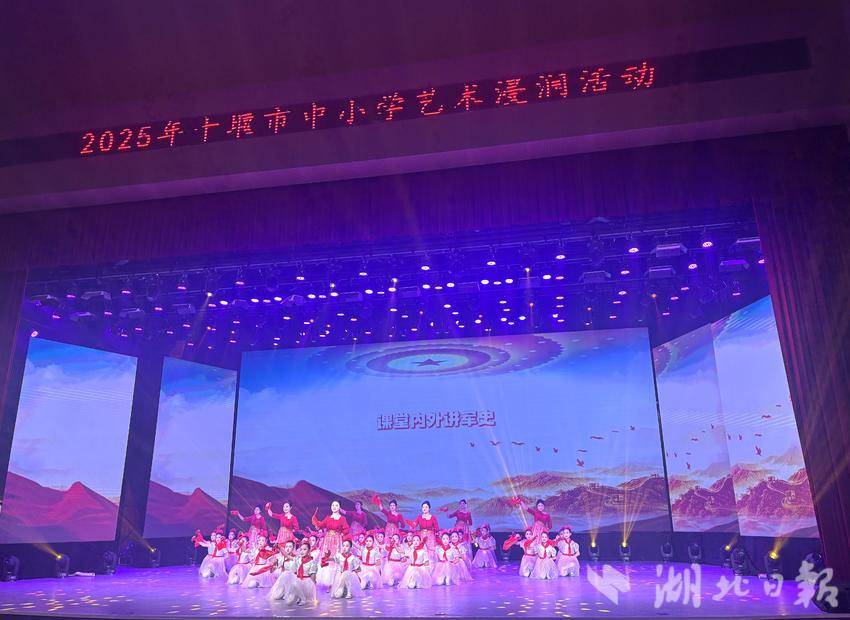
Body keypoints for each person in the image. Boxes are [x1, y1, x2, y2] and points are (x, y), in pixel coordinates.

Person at [287, 542, 319, 606]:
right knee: (289, 602)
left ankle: (303, 599)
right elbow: (294, 571)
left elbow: (313, 576)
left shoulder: (312, 562)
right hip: (298, 579)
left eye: (304, 549)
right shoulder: (297, 559)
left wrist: (312, 586)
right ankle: (299, 597)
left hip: (306, 581)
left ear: (309, 551)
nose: (302, 551)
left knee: (295, 584)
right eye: (301, 549)